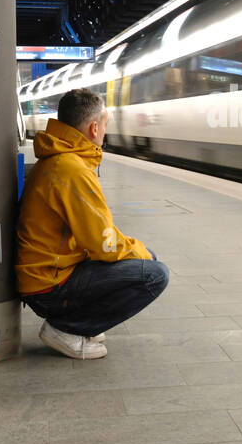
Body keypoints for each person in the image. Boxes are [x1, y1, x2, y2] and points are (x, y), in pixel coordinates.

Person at [16, 87, 169, 359]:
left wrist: (138, 250)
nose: (105, 133)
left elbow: (97, 233)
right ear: (94, 128)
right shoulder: (70, 168)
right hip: (49, 284)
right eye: (106, 126)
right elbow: (104, 244)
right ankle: (66, 329)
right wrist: (139, 251)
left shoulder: (60, 161)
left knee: (147, 260)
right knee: (154, 274)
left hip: (49, 271)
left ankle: (78, 323)